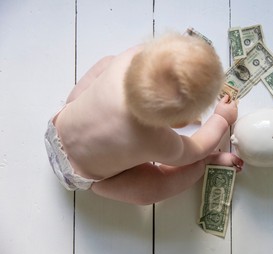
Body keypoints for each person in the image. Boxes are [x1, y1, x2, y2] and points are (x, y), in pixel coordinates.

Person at [44, 32, 243, 205]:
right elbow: (196, 149)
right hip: (83, 177)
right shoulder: (159, 141)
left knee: (106, 63)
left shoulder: (127, 58)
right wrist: (221, 118)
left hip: (55, 128)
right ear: (179, 123)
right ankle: (204, 165)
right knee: (152, 191)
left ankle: (75, 104)